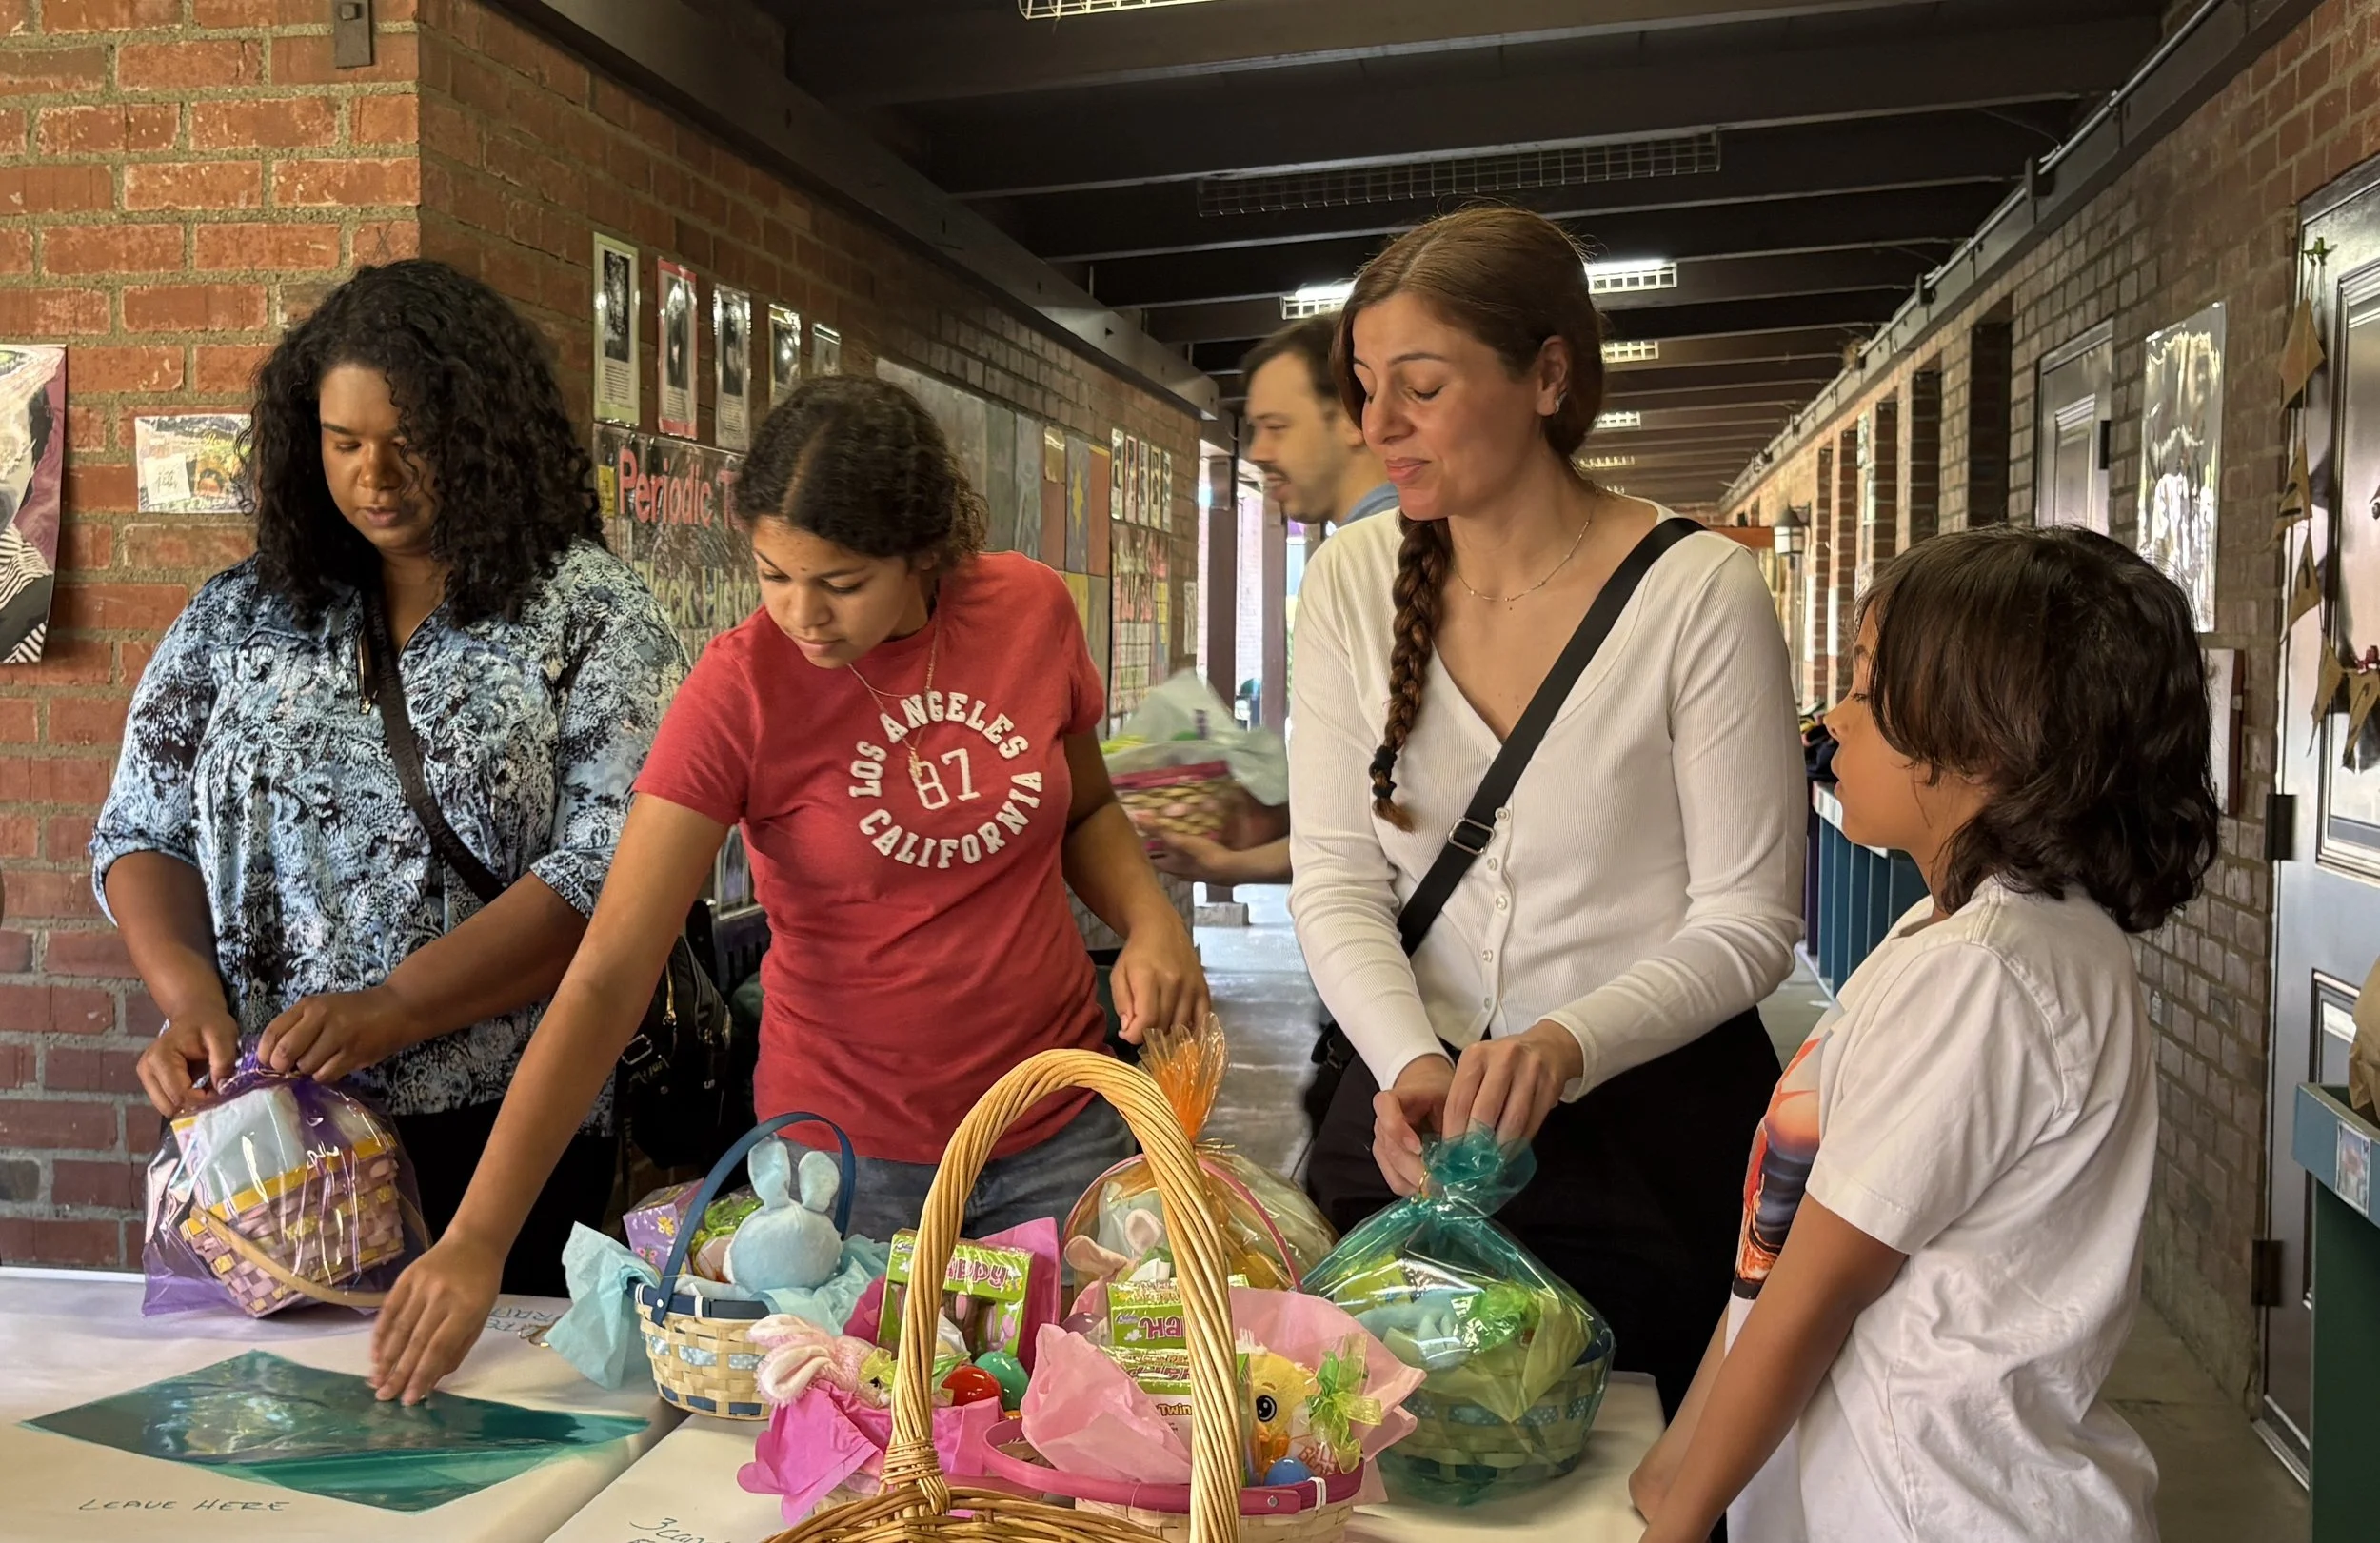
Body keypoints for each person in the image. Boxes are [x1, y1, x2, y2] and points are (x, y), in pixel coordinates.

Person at [367, 375, 1208, 1404]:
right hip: (850, 1172)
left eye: (842, 582)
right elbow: (608, 972)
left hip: (1055, 1128)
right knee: (871, 1458)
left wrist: (1151, 916)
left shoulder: (1027, 609)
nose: (803, 614)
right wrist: (477, 1237)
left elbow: (1082, 811)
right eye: (773, 574)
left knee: (1079, 1433)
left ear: (925, 552)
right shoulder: (740, 690)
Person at [1290, 206, 1804, 1414]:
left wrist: (1566, 1044)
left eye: (1420, 385)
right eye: (1365, 387)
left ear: (1548, 375)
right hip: (1410, 1137)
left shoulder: (1695, 593)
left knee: (1638, 1473)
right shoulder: (1351, 585)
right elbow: (1336, 879)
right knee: (1399, 1467)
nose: (1379, 427)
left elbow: (1748, 920)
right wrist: (1411, 1058)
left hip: (1649, 1143)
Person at [91, 260, 683, 1296]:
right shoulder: (244, 612)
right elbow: (143, 826)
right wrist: (186, 995)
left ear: (486, 435)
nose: (376, 475)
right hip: (270, 1138)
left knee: (478, 1432)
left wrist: (398, 1005)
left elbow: (612, 876)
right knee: (263, 1426)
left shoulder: (590, 617)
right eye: (344, 441)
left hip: (498, 1131)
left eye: (412, 443)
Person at [1630, 526, 2218, 1543]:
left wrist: (1674, 1525)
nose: (1833, 720)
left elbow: (1814, 1298)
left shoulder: (1985, 975)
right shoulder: (1963, 931)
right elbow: (1769, 1276)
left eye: (1866, 687)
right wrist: (1665, 1467)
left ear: (1984, 737)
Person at [1150, 316, 1392, 891]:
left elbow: (1394, 814)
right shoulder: (1400, 544)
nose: (1257, 451)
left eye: (1277, 427)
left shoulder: (1365, 560)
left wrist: (1231, 864)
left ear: (1356, 420)